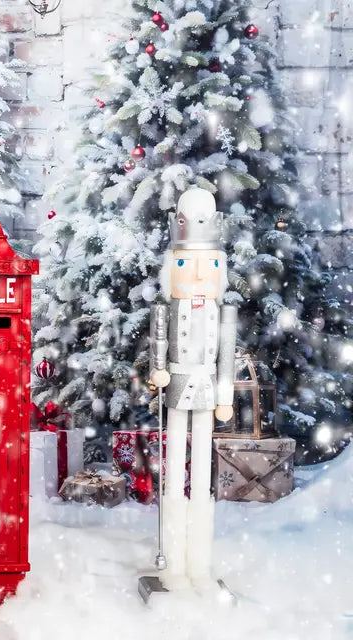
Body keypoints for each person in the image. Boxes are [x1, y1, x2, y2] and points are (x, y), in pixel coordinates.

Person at [145, 186, 236, 596]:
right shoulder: (168, 307)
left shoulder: (223, 312)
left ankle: (199, 563)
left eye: (208, 265)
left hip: (206, 386)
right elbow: (158, 340)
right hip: (178, 380)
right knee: (173, 469)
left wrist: (226, 395)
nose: (198, 275)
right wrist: (159, 370)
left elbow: (227, 355)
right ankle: (173, 565)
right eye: (184, 263)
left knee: (202, 474)